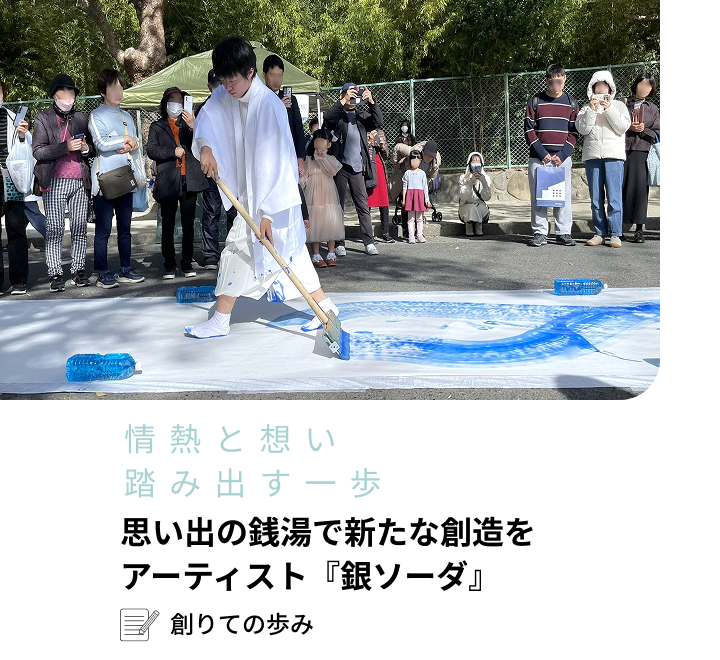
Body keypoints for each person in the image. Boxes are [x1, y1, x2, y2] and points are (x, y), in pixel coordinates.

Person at [185, 36, 341, 338]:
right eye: (223, 81)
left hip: (274, 201)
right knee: (284, 257)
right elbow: (206, 122)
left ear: (250, 73)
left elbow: (279, 163)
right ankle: (326, 308)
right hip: (250, 197)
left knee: (250, 252)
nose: (227, 87)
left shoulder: (269, 106)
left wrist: (268, 213)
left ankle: (221, 320)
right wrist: (205, 148)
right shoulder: (224, 94)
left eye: (232, 80)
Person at [32, 74, 96, 291]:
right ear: (54, 95)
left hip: (79, 180)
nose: (68, 97)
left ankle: (78, 270)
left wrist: (86, 148)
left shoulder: (81, 118)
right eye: (63, 93)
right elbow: (38, 151)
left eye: (71, 93)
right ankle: (55, 273)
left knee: (79, 227)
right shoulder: (43, 118)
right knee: (55, 228)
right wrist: (64, 147)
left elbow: (92, 149)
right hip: (54, 180)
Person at [88, 68, 146, 288]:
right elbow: (101, 143)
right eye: (113, 87)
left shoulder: (127, 116)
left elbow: (135, 142)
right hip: (105, 180)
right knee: (103, 230)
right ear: (103, 91)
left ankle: (125, 268)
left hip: (125, 178)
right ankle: (103, 272)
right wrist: (124, 140)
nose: (119, 92)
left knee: (125, 228)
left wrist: (129, 142)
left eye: (121, 87)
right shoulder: (96, 115)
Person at [147, 86, 208, 279]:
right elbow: (151, 150)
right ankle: (169, 264)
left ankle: (186, 263)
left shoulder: (191, 124)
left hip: (189, 179)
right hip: (168, 180)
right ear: (165, 104)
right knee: (168, 224)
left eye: (180, 100)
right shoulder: (157, 126)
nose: (176, 104)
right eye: (172, 100)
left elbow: (204, 143)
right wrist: (171, 152)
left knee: (189, 225)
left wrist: (193, 125)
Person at [322, 82, 383, 256]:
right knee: (338, 206)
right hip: (340, 167)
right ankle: (339, 243)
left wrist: (371, 101)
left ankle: (369, 242)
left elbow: (378, 122)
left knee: (362, 205)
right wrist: (343, 101)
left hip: (357, 167)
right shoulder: (338, 116)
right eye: (350, 93)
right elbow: (327, 118)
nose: (353, 97)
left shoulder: (361, 115)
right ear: (343, 94)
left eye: (355, 94)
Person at [524, 63, 580, 247]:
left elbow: (574, 132)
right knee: (538, 198)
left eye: (559, 81)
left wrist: (563, 155)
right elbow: (529, 130)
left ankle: (563, 232)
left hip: (561, 160)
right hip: (538, 159)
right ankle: (540, 232)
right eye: (551, 81)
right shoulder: (535, 101)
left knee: (563, 198)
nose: (555, 85)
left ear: (564, 79)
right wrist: (542, 153)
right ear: (547, 80)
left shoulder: (572, 104)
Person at [575, 70, 631, 248]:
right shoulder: (586, 108)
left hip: (614, 156)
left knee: (614, 197)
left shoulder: (619, 106)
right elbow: (582, 129)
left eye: (603, 86)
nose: (600, 90)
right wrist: (592, 111)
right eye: (597, 86)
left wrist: (609, 109)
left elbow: (623, 127)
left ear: (610, 88)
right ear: (592, 89)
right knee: (596, 199)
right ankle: (599, 232)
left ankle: (615, 234)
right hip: (592, 157)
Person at [196, 69, 237, 269]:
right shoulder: (205, 108)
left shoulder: (235, 104)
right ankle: (211, 255)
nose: (219, 88)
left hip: (233, 169)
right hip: (213, 170)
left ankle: (234, 251)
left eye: (222, 83)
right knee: (212, 211)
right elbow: (200, 136)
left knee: (234, 213)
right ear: (209, 87)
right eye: (215, 85)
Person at [0, 78, 32, 295]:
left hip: (10, 176)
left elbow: (27, 148)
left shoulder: (14, 118)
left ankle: (19, 280)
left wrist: (22, 135)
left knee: (16, 227)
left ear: (4, 94)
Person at [622, 72, 660, 244]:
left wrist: (643, 130)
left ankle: (639, 229)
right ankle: (618, 227)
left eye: (648, 85)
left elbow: (657, 133)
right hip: (621, 151)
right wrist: (629, 126)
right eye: (642, 84)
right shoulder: (623, 103)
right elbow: (614, 124)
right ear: (636, 84)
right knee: (620, 188)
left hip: (642, 152)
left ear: (652, 89)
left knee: (640, 191)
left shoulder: (653, 109)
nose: (644, 88)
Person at [301, 128, 344, 267]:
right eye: (316, 140)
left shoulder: (331, 159)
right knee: (315, 223)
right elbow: (304, 178)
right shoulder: (308, 159)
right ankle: (316, 255)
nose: (319, 143)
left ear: (329, 144)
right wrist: (301, 178)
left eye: (322, 140)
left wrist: (322, 158)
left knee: (329, 221)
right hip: (313, 195)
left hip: (328, 195)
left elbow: (332, 172)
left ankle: (331, 253)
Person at [388, 138, 440, 242]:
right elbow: (397, 147)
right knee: (406, 207)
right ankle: (407, 231)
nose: (428, 158)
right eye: (427, 155)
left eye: (431, 157)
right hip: (405, 178)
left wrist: (424, 185)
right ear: (423, 151)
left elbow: (432, 176)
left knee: (419, 210)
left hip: (419, 186)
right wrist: (396, 162)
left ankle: (419, 233)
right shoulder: (412, 151)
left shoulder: (436, 162)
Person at [262, 54, 306, 178]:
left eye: (279, 75)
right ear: (264, 75)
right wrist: (277, 108)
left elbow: (298, 129)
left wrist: (300, 157)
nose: (276, 80)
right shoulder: (259, 99)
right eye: (272, 75)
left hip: (288, 154)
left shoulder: (291, 99)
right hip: (267, 157)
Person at [366, 128, 394, 243]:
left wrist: (382, 146)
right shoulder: (363, 131)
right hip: (369, 168)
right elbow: (362, 152)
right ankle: (368, 234)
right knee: (367, 202)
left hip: (380, 167)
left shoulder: (381, 132)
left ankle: (386, 232)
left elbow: (386, 155)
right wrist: (370, 141)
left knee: (384, 201)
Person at [458, 152, 491, 237]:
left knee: (480, 208)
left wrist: (484, 183)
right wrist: (470, 183)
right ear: (469, 163)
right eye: (474, 161)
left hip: (480, 205)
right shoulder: (463, 178)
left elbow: (487, 198)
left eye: (478, 161)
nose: (476, 163)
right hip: (466, 206)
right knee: (471, 208)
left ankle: (478, 225)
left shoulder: (486, 178)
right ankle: (469, 225)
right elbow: (463, 197)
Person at [401, 150, 430, 244]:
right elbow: (404, 187)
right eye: (413, 159)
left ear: (420, 161)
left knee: (420, 218)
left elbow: (425, 187)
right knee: (411, 218)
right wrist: (404, 199)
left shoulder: (422, 173)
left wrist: (427, 200)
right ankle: (411, 236)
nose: (415, 161)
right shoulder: (407, 173)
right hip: (410, 197)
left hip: (420, 197)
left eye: (417, 159)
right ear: (410, 160)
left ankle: (419, 235)